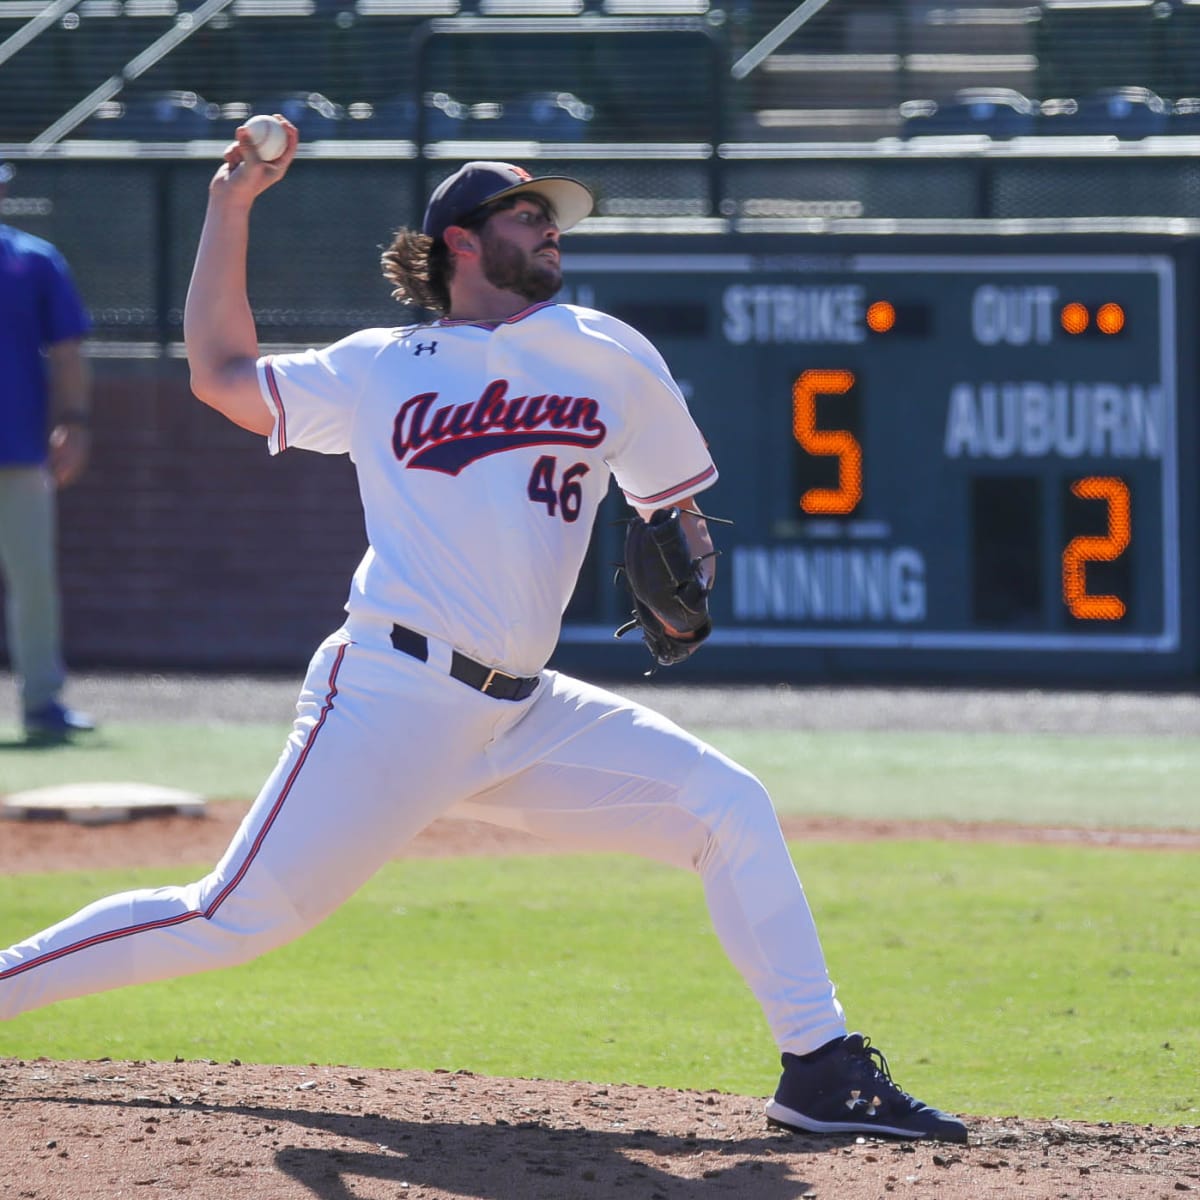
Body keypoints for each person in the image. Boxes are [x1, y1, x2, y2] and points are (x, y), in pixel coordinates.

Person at [0, 127, 968, 1144]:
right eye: (528, 213)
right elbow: (221, 372)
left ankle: (820, 1069)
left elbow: (673, 513)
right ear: (460, 242)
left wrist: (688, 564)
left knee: (728, 806)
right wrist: (231, 204)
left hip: (523, 712)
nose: (552, 228)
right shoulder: (382, 367)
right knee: (232, 918)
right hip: (391, 697)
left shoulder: (608, 352)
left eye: (553, 216)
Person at [0, 160, 96, 740]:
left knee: (33, 579)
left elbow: (66, 351)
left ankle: (42, 703)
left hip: (18, 448)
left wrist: (75, 422)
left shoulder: (33, 258)